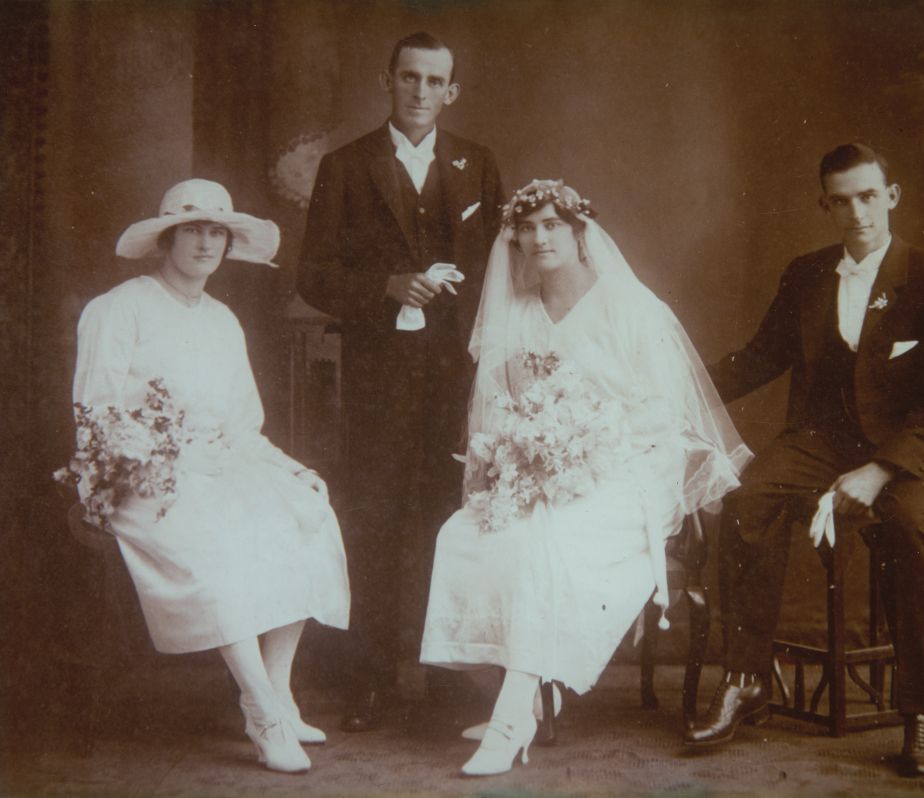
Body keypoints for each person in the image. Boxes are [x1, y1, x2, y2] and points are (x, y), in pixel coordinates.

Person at [418, 179, 752, 776]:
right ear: (515, 240)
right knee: (463, 537)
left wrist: (586, 451)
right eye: (529, 228)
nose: (540, 237)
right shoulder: (516, 313)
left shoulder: (630, 305)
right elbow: (497, 409)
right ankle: (532, 698)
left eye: (553, 225)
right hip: (543, 464)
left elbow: (661, 412)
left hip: (631, 467)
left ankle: (511, 719)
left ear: (579, 234)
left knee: (550, 542)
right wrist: (520, 458)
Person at [684, 143, 924, 778]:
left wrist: (880, 471)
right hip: (826, 438)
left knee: (902, 522)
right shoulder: (807, 274)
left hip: (918, 445)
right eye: (841, 201)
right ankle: (746, 679)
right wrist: (677, 383)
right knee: (747, 499)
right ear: (825, 206)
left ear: (891, 197)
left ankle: (918, 711)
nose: (857, 213)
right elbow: (760, 357)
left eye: (868, 197)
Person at [70, 179, 351, 774]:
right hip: (139, 474)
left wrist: (286, 468)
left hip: (218, 462)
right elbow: (96, 414)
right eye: (193, 230)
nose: (205, 242)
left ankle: (279, 691)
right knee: (221, 538)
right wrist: (158, 456)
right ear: (168, 238)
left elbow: (242, 423)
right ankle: (260, 712)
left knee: (306, 514)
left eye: (216, 231)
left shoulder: (223, 319)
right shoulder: (119, 308)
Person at [297, 31, 505, 732]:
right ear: (388, 81)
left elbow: (500, 273)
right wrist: (388, 285)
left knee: (448, 517)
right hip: (380, 373)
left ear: (452, 91)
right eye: (409, 77)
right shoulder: (347, 165)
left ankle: (446, 674)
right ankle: (371, 678)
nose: (420, 92)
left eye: (434, 80)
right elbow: (314, 275)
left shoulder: (476, 164)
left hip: (456, 373)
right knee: (376, 516)